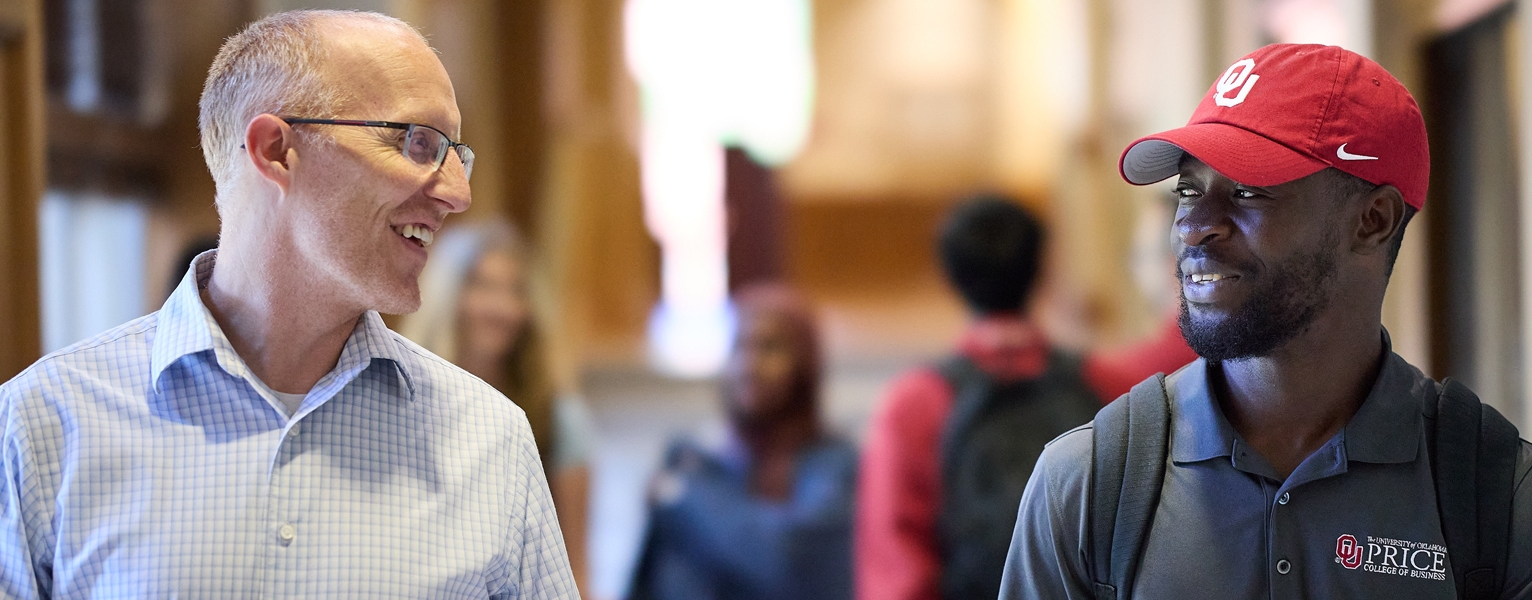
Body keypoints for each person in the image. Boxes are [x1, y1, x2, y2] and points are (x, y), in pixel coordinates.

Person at [0, 10, 577, 598]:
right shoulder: (47, 425)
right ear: (276, 151)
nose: (457, 193)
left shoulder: (491, 440)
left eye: (456, 154)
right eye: (418, 143)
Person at [1001, 44, 1532, 599]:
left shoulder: (1499, 501)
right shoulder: (1088, 488)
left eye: (1247, 191)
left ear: (1372, 220)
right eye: (1188, 190)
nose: (1192, 227)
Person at [859, 195, 1151, 600]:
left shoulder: (915, 403)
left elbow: (898, 567)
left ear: (950, 276)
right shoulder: (1110, 385)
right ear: (1042, 269)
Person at [398, 218, 598, 595]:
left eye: (515, 291)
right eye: (483, 286)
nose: (502, 307)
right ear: (448, 298)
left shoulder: (558, 420)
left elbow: (576, 569)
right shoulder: (402, 401)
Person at [628, 284, 857, 600]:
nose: (749, 366)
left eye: (769, 348)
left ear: (804, 364)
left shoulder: (836, 464)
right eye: (738, 347)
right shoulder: (698, 462)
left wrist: (685, 498)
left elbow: (787, 563)